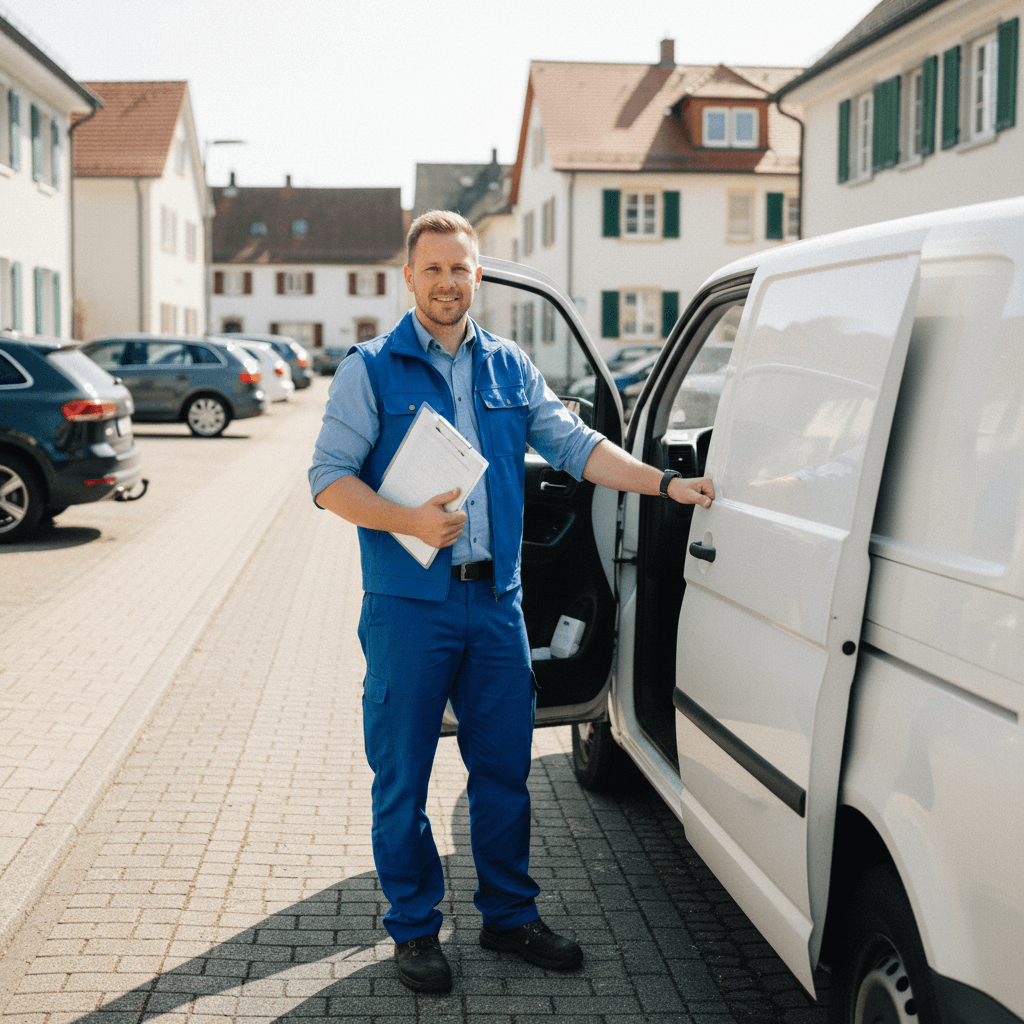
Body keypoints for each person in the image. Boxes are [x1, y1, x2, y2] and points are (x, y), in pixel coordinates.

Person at [309, 210, 714, 994]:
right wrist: (407, 520)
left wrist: (666, 484)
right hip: (408, 605)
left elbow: (577, 447)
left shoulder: (508, 366)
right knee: (403, 778)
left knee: (504, 772)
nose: (447, 283)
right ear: (409, 277)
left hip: (496, 604)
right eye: (432, 269)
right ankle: (415, 930)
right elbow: (328, 479)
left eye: (460, 269)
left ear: (478, 276)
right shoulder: (371, 369)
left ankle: (508, 916)